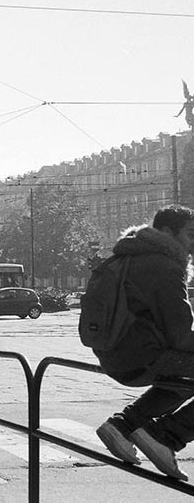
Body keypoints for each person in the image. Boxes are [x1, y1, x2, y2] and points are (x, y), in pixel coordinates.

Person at [94, 205, 194, 481]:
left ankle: (123, 426)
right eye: (190, 234)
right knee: (185, 366)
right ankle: (167, 436)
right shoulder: (166, 266)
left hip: (114, 352)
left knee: (185, 376)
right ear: (166, 232)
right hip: (141, 356)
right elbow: (182, 336)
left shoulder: (130, 255)